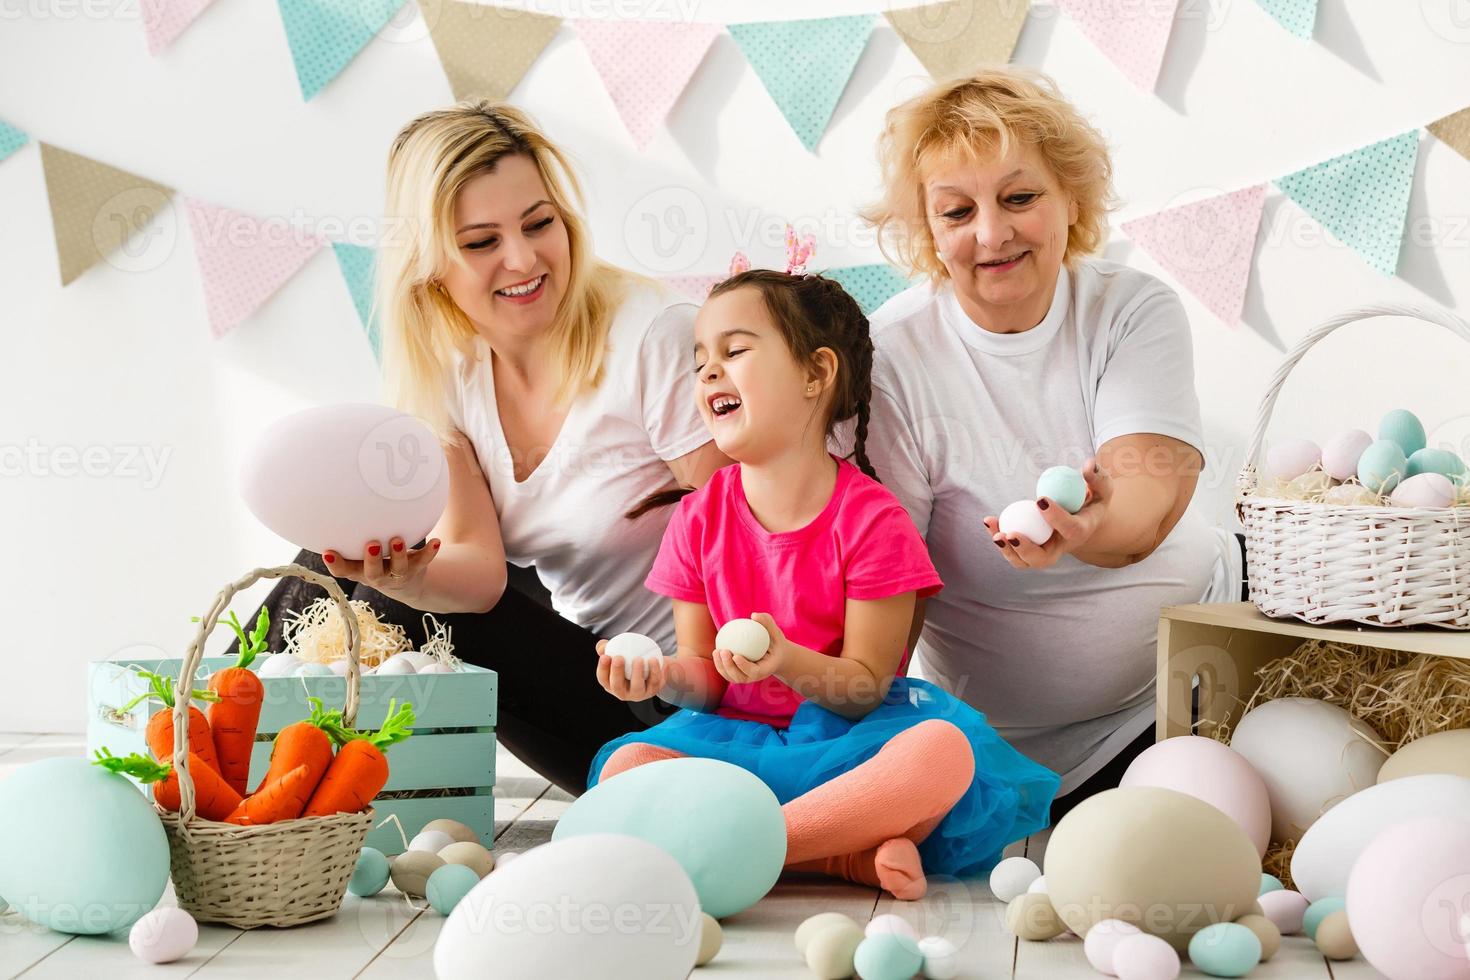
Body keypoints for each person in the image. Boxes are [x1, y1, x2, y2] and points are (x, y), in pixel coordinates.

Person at [235, 101, 729, 796]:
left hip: (683, 710)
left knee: (390, 592)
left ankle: (218, 747)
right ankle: (216, 730)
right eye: (480, 242)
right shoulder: (451, 370)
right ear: (432, 264)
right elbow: (480, 575)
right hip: (588, 675)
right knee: (341, 549)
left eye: (539, 224)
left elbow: (745, 545)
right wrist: (404, 577)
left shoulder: (651, 337)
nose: (523, 259)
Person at [585, 260, 1060, 900]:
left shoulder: (874, 521)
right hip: (732, 750)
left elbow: (865, 688)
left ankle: (756, 846)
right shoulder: (698, 518)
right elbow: (704, 680)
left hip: (847, 749)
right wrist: (663, 676)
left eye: (735, 350)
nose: (708, 372)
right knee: (626, 766)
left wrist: (784, 660)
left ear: (817, 373)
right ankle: (838, 858)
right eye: (700, 360)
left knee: (942, 753)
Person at [851, 66, 1243, 824]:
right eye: (957, 210)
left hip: (1197, 683)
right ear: (928, 229)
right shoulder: (892, 357)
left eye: (1020, 198)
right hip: (1006, 749)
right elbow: (886, 582)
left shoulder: (1131, 310)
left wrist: (1087, 532)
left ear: (1071, 199)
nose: (991, 234)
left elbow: (1148, 506)